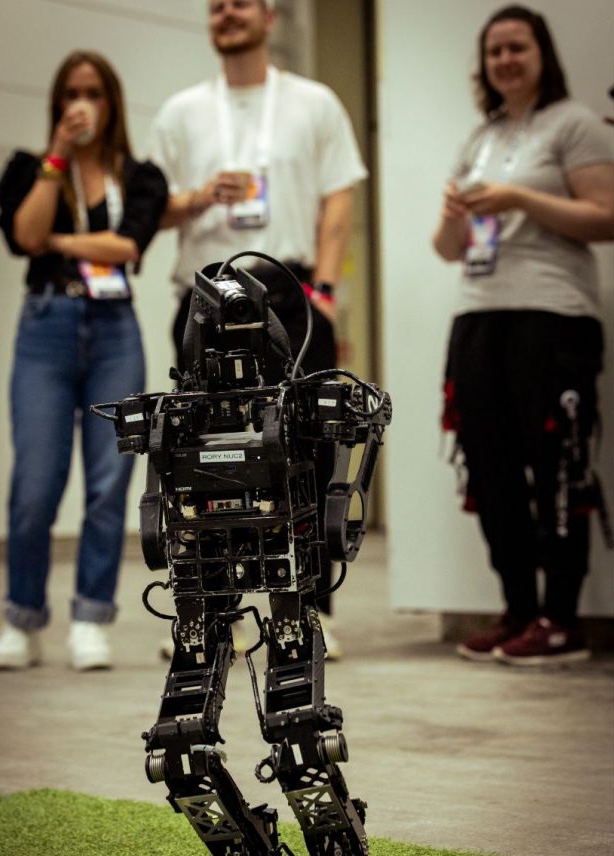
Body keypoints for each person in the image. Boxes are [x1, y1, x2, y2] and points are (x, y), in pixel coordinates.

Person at [148, 0, 367, 660]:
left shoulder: (313, 102)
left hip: (290, 292)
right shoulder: (180, 111)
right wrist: (199, 197)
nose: (227, 13)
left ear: (271, 17)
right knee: (203, 453)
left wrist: (324, 290)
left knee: (306, 448)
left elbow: (338, 201)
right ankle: (215, 610)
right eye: (216, 6)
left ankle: (310, 609)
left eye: (240, 2)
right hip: (206, 296)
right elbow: (152, 210)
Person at [432, 5, 614, 666]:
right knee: (490, 469)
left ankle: (560, 620)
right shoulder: (480, 137)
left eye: (517, 48)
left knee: (557, 466)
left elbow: (607, 217)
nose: (505, 60)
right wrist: (453, 216)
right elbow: (446, 248)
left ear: (542, 55)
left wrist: (518, 199)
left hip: (553, 314)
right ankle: (516, 609)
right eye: (495, 51)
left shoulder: (575, 123)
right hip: (479, 315)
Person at [0, 51, 168, 671]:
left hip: (115, 330)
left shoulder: (140, 177)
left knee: (109, 481)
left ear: (112, 102)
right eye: (71, 93)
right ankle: (22, 617)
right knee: (35, 484)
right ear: (57, 103)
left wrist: (61, 242)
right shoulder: (28, 168)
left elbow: (127, 245)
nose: (82, 104)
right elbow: (24, 236)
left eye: (93, 93)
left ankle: (91, 618)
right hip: (46, 326)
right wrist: (58, 157)